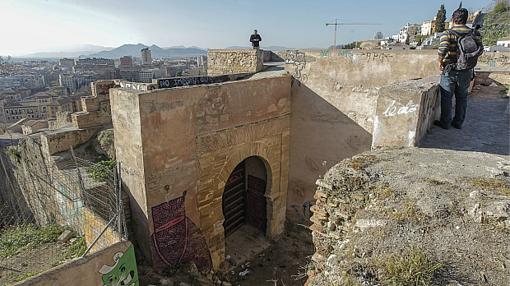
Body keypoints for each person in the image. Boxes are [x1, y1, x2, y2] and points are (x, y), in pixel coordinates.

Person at [435, 7, 483, 130]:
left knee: (447, 97)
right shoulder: (473, 33)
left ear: (453, 19)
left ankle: (445, 123)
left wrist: (440, 62)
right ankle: (458, 122)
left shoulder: (448, 33)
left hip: (450, 69)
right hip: (466, 70)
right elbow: (480, 49)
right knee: (462, 97)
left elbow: (442, 49)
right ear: (466, 19)